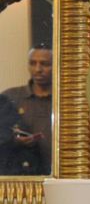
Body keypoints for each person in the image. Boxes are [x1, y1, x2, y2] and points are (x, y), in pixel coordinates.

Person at [0, 46, 52, 176]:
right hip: (21, 175)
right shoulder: (10, 97)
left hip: (59, 173)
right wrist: (13, 141)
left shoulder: (65, 101)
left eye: (45, 64)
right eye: (33, 63)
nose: (38, 69)